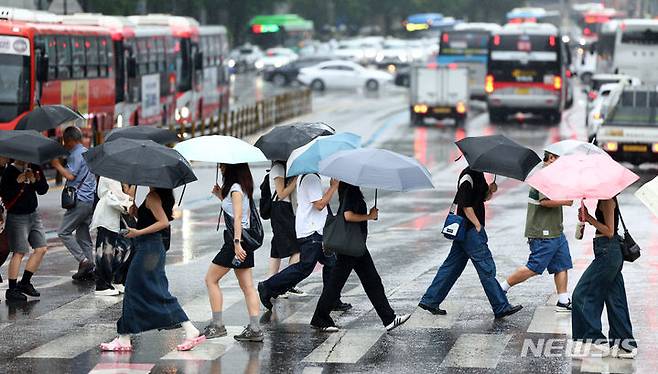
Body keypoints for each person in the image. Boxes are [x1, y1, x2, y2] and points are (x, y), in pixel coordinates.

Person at [100, 188, 205, 352]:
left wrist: (138, 232)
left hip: (149, 250)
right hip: (150, 248)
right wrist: (135, 212)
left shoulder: (153, 196)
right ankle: (124, 337)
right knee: (141, 290)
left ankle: (190, 329)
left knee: (145, 290)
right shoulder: (158, 196)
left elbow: (163, 222)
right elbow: (151, 219)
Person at [418, 167, 523, 319]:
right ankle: (501, 306)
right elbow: (465, 206)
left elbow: (483, 198)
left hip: (467, 232)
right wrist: (477, 225)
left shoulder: (478, 174)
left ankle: (430, 300)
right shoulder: (467, 177)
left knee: (451, 267)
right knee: (486, 267)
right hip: (469, 231)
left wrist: (491, 190)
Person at [311, 182, 410, 332]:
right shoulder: (351, 190)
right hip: (352, 245)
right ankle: (320, 318)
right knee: (337, 283)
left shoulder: (348, 189)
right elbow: (348, 216)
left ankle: (389, 318)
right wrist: (369, 216)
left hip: (355, 245)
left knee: (371, 281)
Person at [258, 173, 351, 312]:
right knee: (305, 267)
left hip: (317, 230)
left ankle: (332, 300)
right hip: (312, 231)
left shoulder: (307, 176)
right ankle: (268, 286)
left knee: (332, 264)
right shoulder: (310, 178)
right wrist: (333, 187)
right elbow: (319, 204)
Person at [499, 151, 574, 312]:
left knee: (562, 265)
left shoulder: (554, 176)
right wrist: (566, 202)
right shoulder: (544, 176)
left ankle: (563, 300)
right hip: (542, 231)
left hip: (556, 230)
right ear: (552, 158)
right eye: (560, 158)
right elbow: (544, 201)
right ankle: (500, 289)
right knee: (534, 267)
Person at [203, 163, 264, 342]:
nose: (221, 168)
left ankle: (218, 325)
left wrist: (237, 244)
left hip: (235, 242)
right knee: (247, 287)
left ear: (232, 168)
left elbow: (238, 217)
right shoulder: (239, 187)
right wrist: (219, 195)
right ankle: (254, 329)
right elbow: (234, 209)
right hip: (241, 241)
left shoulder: (236, 188)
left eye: (223, 166)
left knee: (211, 280)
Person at [571, 198, 637, 359]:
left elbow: (609, 231)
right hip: (608, 251)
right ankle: (626, 346)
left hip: (607, 253)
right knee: (616, 300)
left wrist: (589, 218)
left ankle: (592, 340)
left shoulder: (607, 199)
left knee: (581, 294)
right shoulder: (606, 198)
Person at [52, 126, 97, 280]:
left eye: (65, 141)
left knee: (63, 232)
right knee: (83, 236)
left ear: (70, 140)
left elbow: (71, 176)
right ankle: (90, 267)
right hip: (89, 200)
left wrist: (57, 165)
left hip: (80, 200)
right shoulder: (86, 152)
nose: (64, 144)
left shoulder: (77, 154)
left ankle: (84, 261)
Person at [0, 160, 49, 302]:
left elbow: (43, 189)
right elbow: (5, 194)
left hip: (34, 214)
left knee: (41, 248)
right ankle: (12, 289)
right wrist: (18, 181)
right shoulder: (10, 171)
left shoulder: (35, 167)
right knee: (19, 252)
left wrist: (33, 180)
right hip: (17, 216)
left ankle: (25, 282)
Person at [90, 177, 135, 296]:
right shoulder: (109, 174)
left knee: (124, 247)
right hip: (107, 216)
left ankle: (117, 279)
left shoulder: (118, 174)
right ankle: (102, 285)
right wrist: (129, 200)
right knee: (106, 251)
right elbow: (116, 195)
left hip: (115, 216)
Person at [267, 161, 304, 298]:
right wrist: (294, 181)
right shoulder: (278, 168)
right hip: (281, 210)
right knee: (297, 247)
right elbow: (281, 193)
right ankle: (285, 283)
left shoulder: (283, 168)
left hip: (284, 209)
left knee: (276, 247)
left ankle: (271, 282)